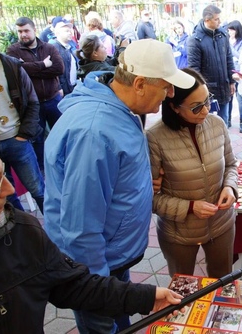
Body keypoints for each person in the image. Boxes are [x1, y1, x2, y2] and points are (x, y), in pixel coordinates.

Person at [43, 39, 194, 333]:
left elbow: (107, 179)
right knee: (103, 325)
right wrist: (98, 287)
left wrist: (137, 183)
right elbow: (80, 226)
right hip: (95, 268)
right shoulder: (95, 131)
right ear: (139, 84)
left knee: (118, 320)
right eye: (166, 86)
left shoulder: (119, 108)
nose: (171, 94)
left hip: (112, 257)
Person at [0, 141, 185, 333]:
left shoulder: (20, 229)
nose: (10, 189)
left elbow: (73, 286)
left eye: (3, 174)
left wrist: (146, 297)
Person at [146, 68, 238, 278]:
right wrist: (189, 207)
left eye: (207, 101)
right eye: (196, 107)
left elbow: (232, 165)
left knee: (222, 281)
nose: (206, 111)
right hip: (179, 234)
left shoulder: (217, 124)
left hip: (222, 223)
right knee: (183, 290)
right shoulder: (155, 137)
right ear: (174, 107)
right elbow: (150, 197)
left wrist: (230, 187)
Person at [0, 22, 45, 214]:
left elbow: (32, 101)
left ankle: (54, 233)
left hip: (16, 140)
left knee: (38, 191)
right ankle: (25, 232)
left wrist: (24, 134)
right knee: (6, 197)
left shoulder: (8, 64)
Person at [7, 16, 65, 174]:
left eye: (26, 30)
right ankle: (43, 170)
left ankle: (65, 163)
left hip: (53, 99)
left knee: (61, 133)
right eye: (20, 31)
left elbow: (59, 69)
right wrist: (44, 65)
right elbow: (17, 71)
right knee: (37, 139)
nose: (23, 34)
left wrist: (28, 68)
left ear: (34, 30)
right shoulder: (13, 50)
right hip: (33, 104)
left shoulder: (49, 48)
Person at [188, 4, 235, 126]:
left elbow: (229, 59)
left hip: (223, 85)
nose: (220, 22)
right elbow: (194, 70)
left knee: (223, 122)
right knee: (206, 123)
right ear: (206, 20)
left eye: (219, 18)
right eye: (216, 19)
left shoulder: (223, 35)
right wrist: (200, 89)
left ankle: (223, 144)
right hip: (206, 90)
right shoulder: (195, 40)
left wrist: (232, 81)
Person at [49, 17, 78, 96]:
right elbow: (53, 71)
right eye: (66, 31)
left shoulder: (69, 46)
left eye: (70, 30)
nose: (70, 33)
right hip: (64, 90)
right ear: (57, 33)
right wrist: (59, 88)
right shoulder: (54, 48)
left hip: (72, 87)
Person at [226, 20, 242, 130]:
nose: (230, 32)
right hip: (229, 72)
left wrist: (230, 48)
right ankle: (228, 119)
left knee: (240, 98)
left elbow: (240, 56)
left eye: (232, 29)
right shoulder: (225, 40)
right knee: (229, 97)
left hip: (239, 72)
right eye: (229, 30)